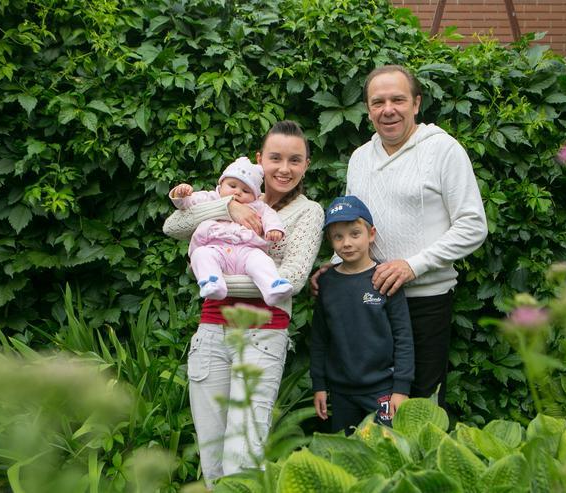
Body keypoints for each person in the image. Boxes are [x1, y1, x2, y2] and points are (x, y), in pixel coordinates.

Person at [310, 65, 488, 408]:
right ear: (368, 110)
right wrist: (334, 265)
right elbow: (352, 224)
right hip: (367, 302)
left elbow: (473, 225)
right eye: (378, 102)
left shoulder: (444, 150)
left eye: (398, 100)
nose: (387, 109)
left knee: (420, 407)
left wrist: (413, 265)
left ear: (416, 104)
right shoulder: (360, 158)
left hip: (424, 301)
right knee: (370, 408)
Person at [163, 120, 324, 488]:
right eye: (275, 158)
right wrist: (229, 207)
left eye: (295, 160)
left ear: (306, 165)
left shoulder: (309, 212)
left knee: (243, 455)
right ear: (259, 160)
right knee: (212, 453)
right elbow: (172, 226)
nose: (284, 168)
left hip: (262, 337)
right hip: (212, 333)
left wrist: (211, 282)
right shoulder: (231, 194)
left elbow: (291, 280)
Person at [310, 196, 414, 435]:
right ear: (330, 241)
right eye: (338, 237)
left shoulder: (385, 278)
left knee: (386, 447)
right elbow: (319, 339)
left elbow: (403, 337)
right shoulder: (327, 282)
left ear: (371, 234)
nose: (347, 243)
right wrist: (319, 385)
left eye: (355, 234)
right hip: (341, 392)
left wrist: (401, 389)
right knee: (345, 452)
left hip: (382, 390)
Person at [169, 156, 293, 305]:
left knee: (261, 260)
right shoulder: (210, 198)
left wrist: (273, 229)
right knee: (200, 254)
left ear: (255, 196)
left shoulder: (258, 206)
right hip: (215, 247)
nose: (237, 192)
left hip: (247, 251)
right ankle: (212, 282)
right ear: (220, 185)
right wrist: (180, 194)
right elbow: (187, 204)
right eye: (232, 185)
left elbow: (270, 216)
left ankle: (272, 287)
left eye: (246, 190)